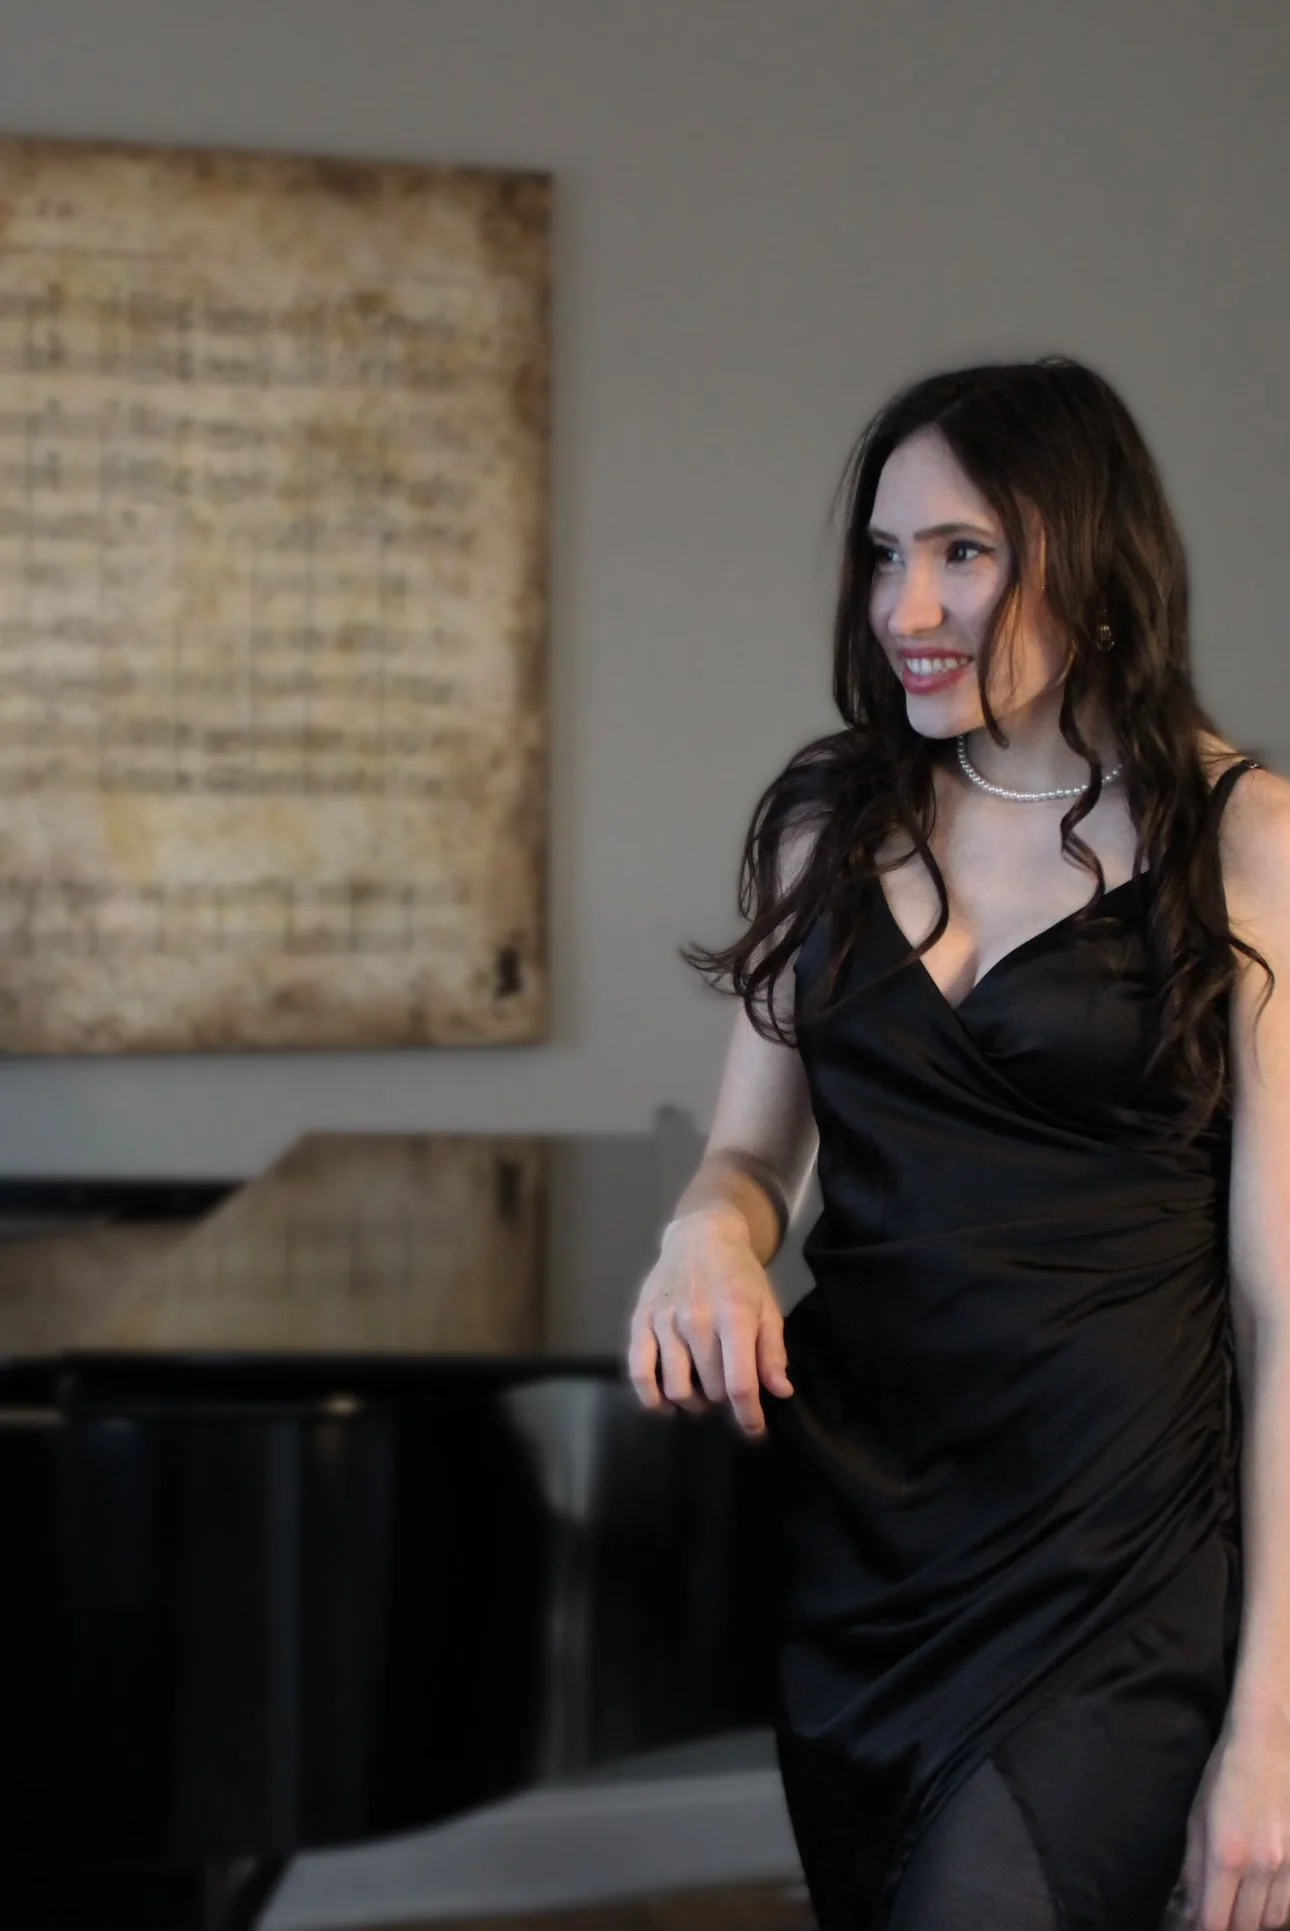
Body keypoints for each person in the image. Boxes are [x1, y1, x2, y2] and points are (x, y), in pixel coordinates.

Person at [627, 358, 1290, 1931]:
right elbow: (747, 1160)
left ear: (1094, 558)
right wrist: (703, 1229)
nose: (903, 608)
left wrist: (1270, 1723)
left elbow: (1285, 1307)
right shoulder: (830, 815)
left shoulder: (1243, 838)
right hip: (863, 1546)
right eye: (883, 554)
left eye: (961, 553)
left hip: (1114, 1553)